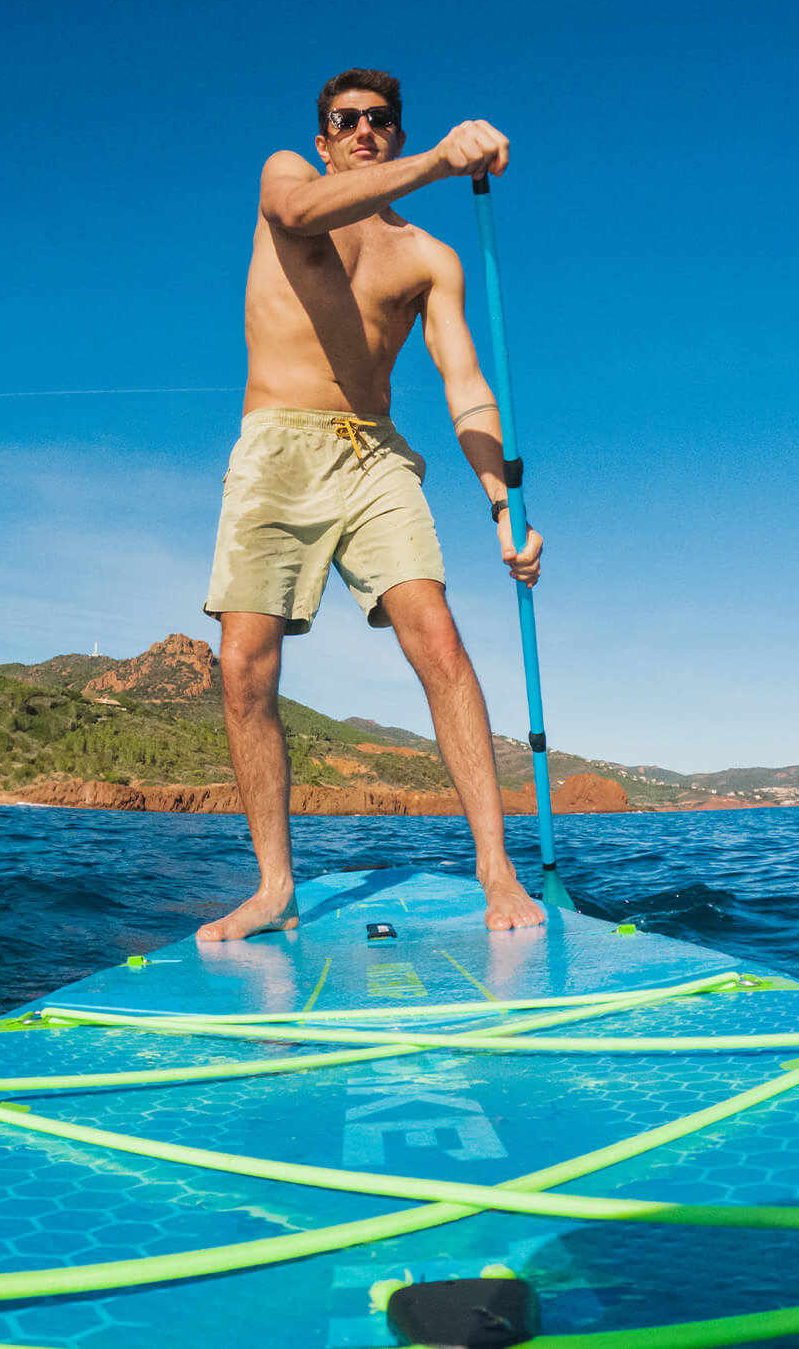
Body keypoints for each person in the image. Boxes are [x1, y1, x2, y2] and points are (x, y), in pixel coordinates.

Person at [199, 68, 545, 941]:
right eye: (346, 120)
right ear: (324, 137)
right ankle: (276, 886)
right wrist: (437, 160)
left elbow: (464, 386)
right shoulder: (289, 174)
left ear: (393, 129)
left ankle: (498, 874)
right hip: (276, 442)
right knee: (244, 663)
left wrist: (503, 503)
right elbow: (295, 216)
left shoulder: (431, 258)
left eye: (380, 120)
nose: (362, 130)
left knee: (438, 637)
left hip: (375, 452)